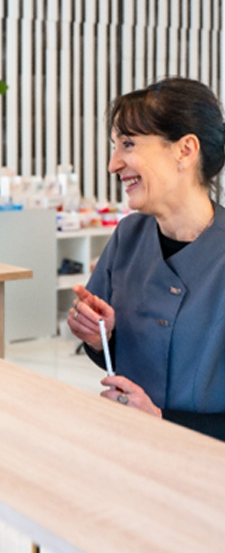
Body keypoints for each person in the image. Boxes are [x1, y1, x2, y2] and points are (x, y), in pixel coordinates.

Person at [68, 76, 225, 441]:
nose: (113, 164)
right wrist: (100, 337)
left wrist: (160, 419)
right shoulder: (127, 237)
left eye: (128, 144)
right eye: (114, 146)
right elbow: (113, 354)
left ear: (185, 150)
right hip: (127, 452)